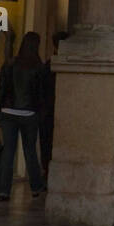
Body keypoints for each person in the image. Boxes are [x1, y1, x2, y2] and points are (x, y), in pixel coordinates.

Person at [0, 31, 47, 201]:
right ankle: (36, 187)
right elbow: (40, 95)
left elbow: (0, 90)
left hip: (7, 112)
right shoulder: (38, 67)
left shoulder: (9, 64)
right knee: (30, 150)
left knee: (7, 152)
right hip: (29, 113)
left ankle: (3, 190)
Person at [39, 29, 67, 178]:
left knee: (47, 145)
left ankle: (47, 173)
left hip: (48, 111)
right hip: (55, 111)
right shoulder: (51, 66)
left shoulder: (48, 66)